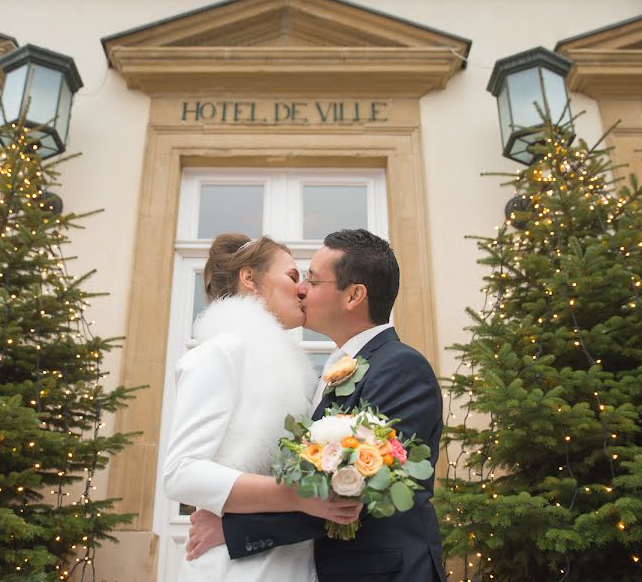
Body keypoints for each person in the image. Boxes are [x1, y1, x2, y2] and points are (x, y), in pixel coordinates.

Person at [186, 229, 446, 581]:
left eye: (312, 279)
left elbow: (365, 489)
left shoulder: (401, 367)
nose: (302, 289)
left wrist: (235, 528)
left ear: (354, 295)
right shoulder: (324, 372)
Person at [162, 233, 362, 582]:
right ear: (249, 278)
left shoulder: (296, 375)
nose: (302, 290)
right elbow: (180, 473)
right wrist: (298, 496)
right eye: (292, 276)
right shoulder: (219, 354)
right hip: (231, 569)